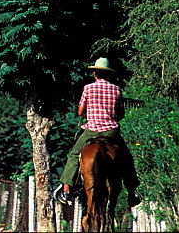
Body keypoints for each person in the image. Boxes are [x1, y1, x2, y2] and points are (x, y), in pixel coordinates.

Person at [55, 58, 141, 208]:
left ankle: (66, 190)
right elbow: (120, 114)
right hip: (111, 132)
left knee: (74, 154)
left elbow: (80, 111)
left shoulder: (88, 88)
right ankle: (132, 193)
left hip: (92, 131)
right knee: (126, 158)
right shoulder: (116, 89)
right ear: (108, 74)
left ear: (95, 73)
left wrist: (92, 115)